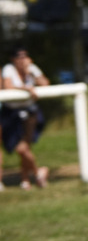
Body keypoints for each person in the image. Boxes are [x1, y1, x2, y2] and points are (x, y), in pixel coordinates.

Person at [0, 48, 49, 190]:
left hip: (29, 111)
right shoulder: (9, 69)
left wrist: (31, 73)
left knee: (24, 147)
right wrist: (26, 88)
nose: (22, 59)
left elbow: (45, 83)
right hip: (11, 113)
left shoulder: (32, 68)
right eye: (19, 57)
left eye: (25, 56)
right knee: (20, 147)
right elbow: (7, 86)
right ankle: (38, 172)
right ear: (13, 59)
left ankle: (26, 180)